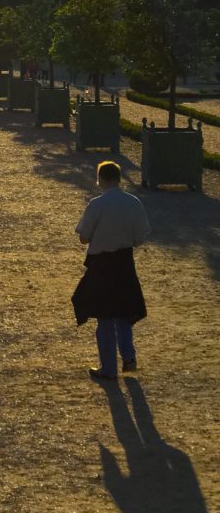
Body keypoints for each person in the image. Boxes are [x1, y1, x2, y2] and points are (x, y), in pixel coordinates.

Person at [72, 161, 150, 381]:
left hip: (102, 264)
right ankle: (129, 357)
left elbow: (84, 237)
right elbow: (139, 238)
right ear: (119, 177)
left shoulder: (97, 205)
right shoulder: (134, 203)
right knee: (123, 312)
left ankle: (108, 367)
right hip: (124, 262)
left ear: (100, 179)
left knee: (104, 316)